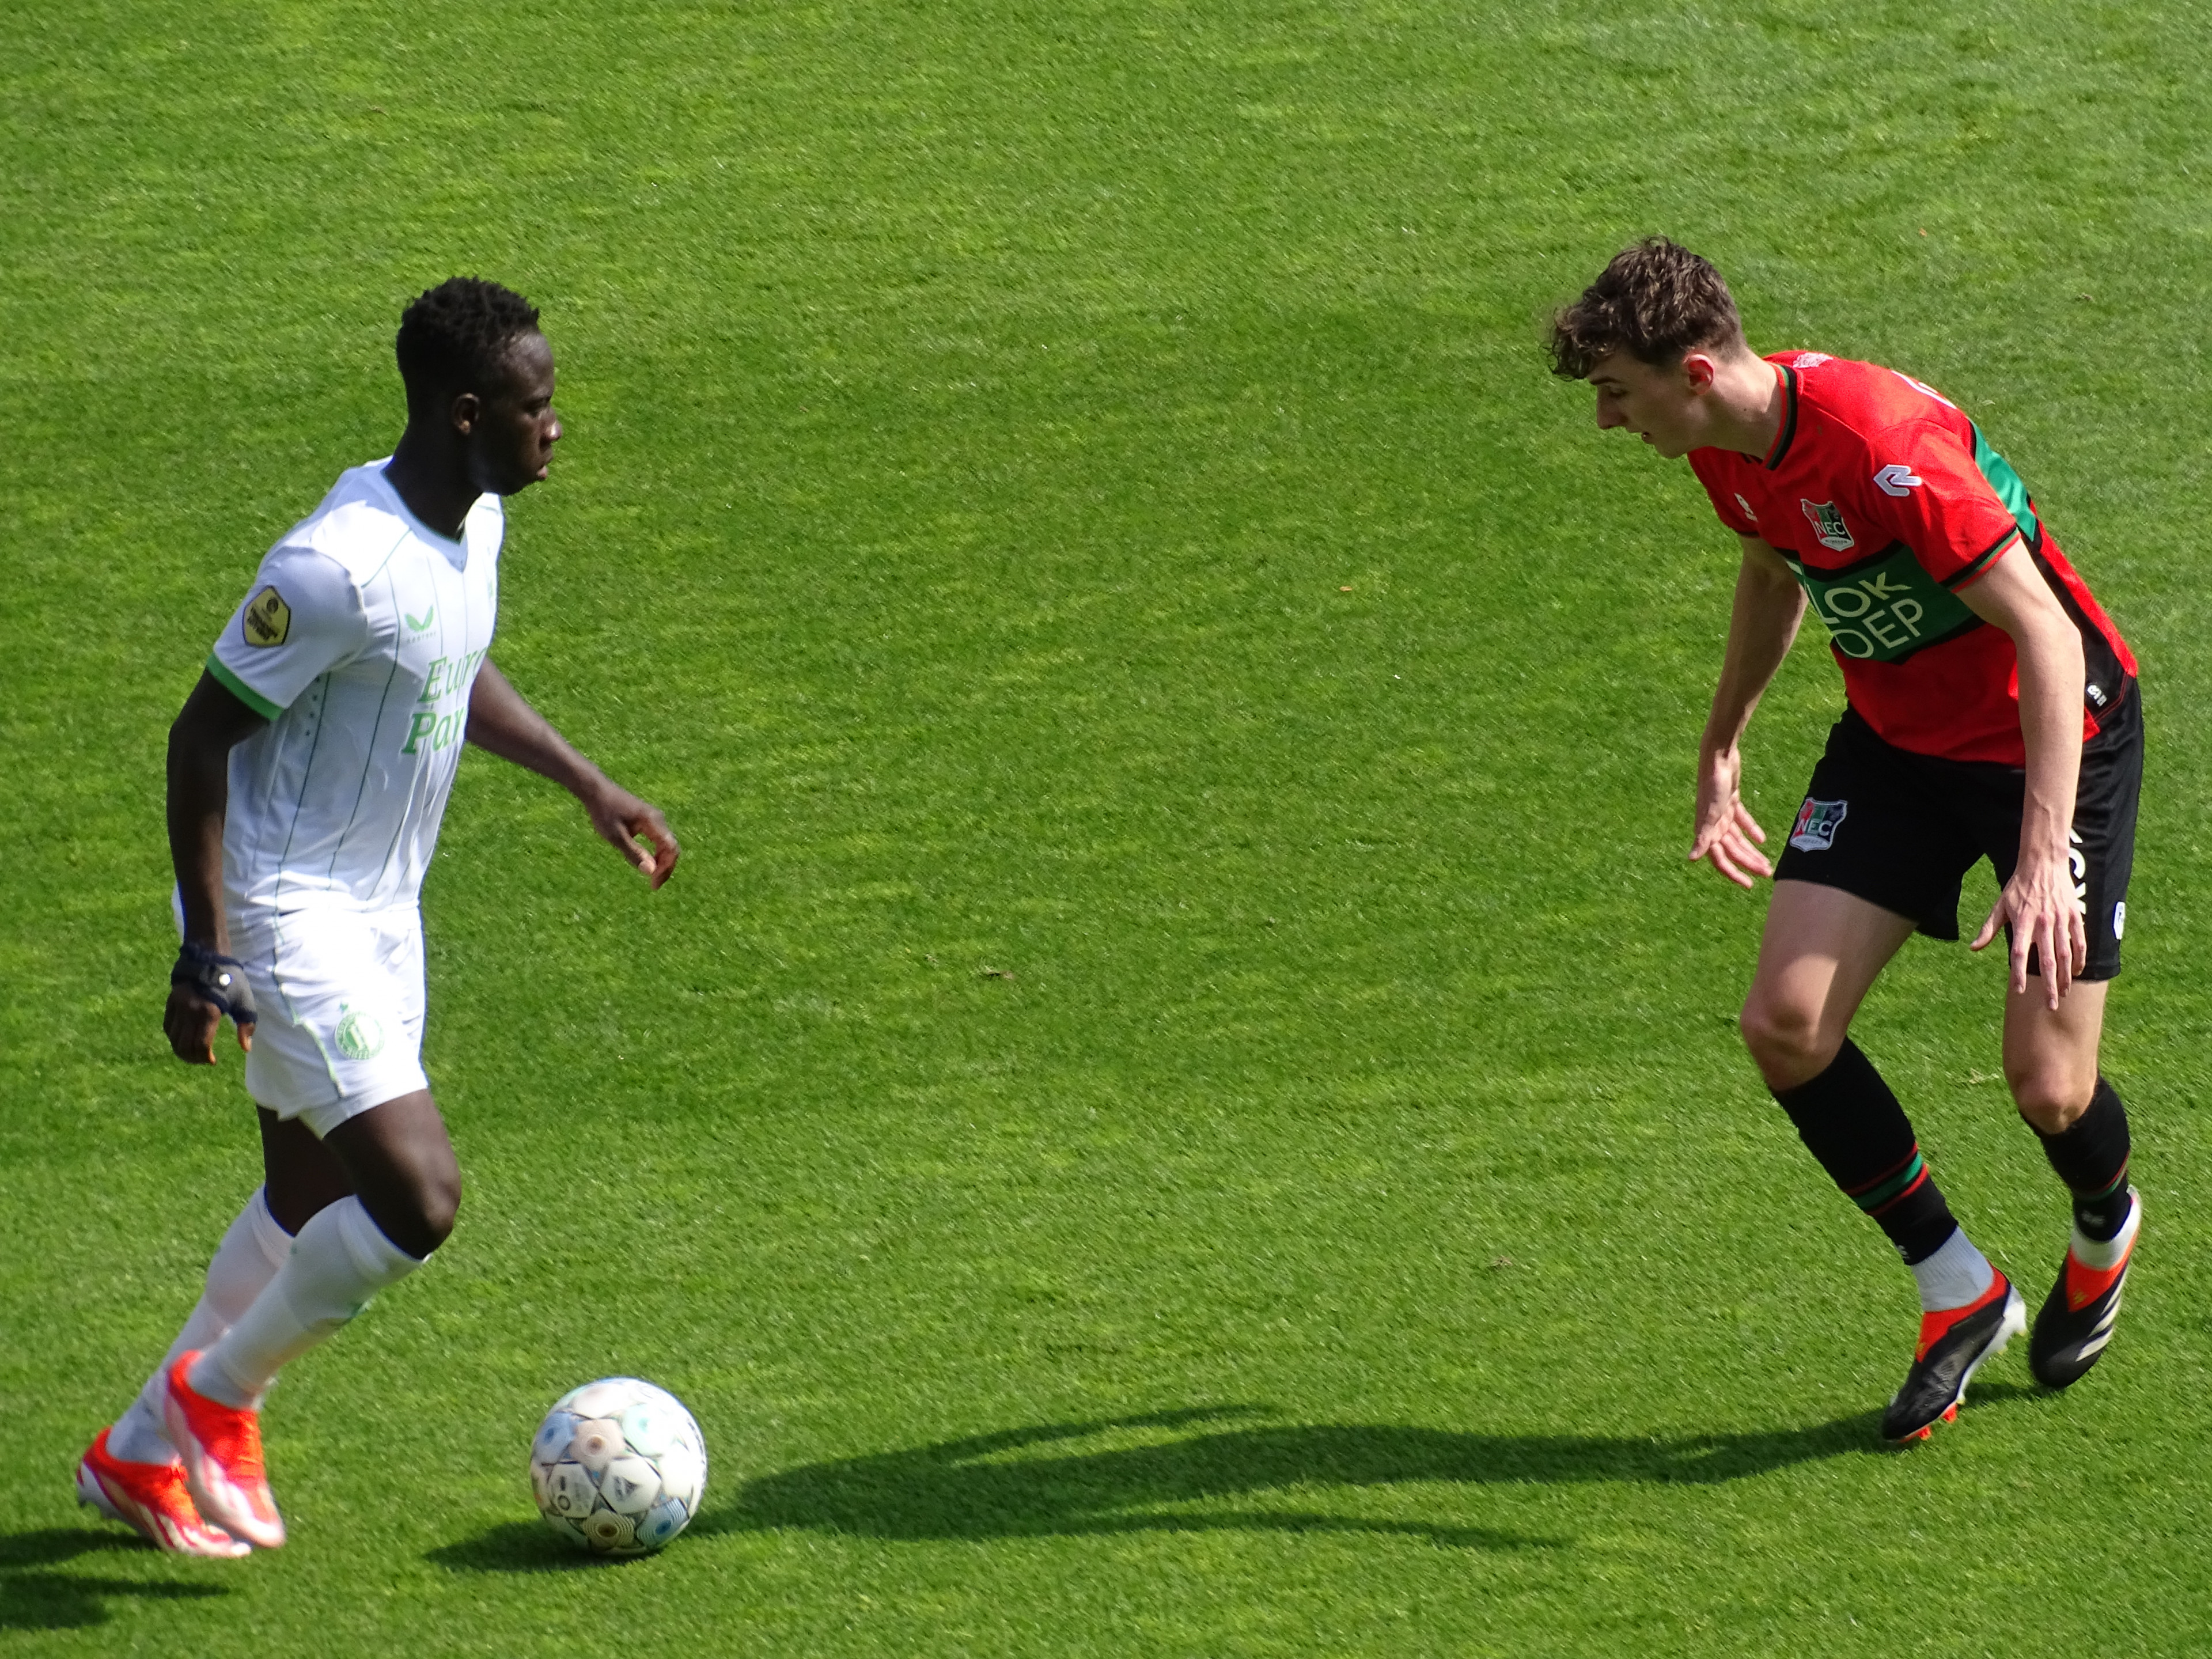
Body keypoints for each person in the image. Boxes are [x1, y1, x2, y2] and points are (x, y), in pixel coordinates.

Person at [74, 278, 681, 1555]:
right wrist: (208, 948)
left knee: (303, 1199)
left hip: (381, 911)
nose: (555, 425)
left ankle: (136, 1454)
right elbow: (200, 735)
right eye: (537, 406)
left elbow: (448, 661)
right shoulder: (334, 564)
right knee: (416, 1198)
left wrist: (584, 780)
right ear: (468, 413)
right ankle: (215, 1398)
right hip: (285, 912)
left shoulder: (474, 523)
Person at [1549, 240, 2143, 1443]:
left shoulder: (1883, 449)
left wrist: (2039, 857)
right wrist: (1723, 749)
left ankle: (2106, 1224)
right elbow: (1773, 578)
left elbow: (2046, 637)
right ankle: (1957, 1288)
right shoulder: (1724, 447)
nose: (1609, 422)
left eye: (1618, 391)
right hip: (1898, 743)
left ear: (1695, 369)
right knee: (1785, 1026)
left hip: (2052, 738)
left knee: (2048, 1084)